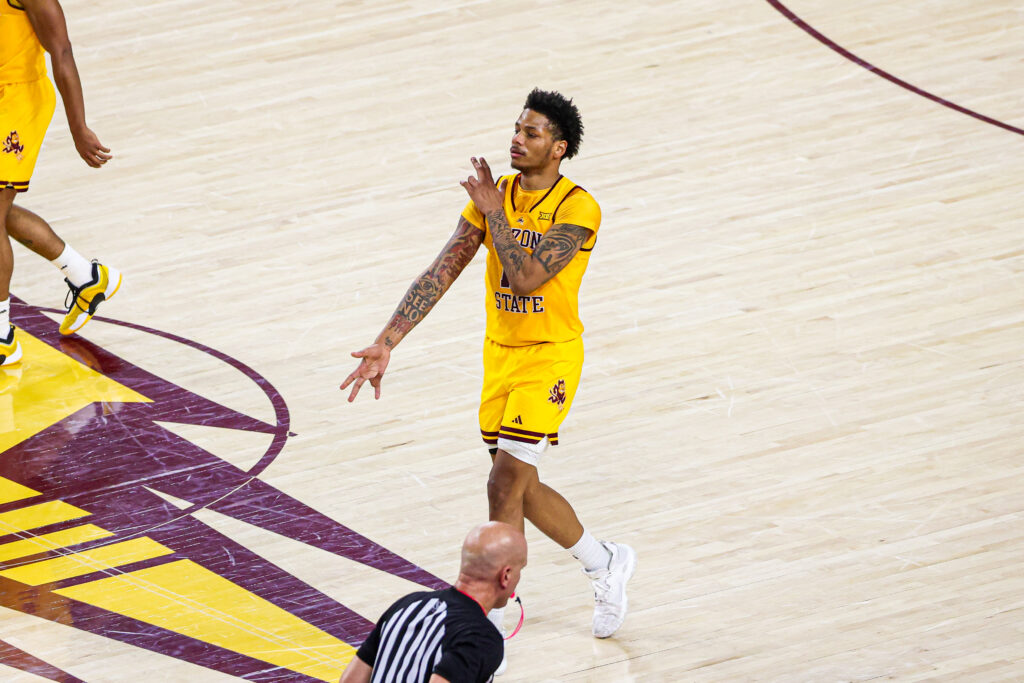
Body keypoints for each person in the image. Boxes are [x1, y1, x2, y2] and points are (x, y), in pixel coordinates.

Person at [341, 89, 636, 655]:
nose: (516, 140)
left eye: (531, 133)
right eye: (516, 129)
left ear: (559, 148)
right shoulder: (493, 196)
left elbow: (526, 278)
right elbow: (445, 265)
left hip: (550, 356)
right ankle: (605, 561)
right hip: (500, 353)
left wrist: (496, 211)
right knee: (518, 489)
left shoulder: (578, 207)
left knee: (502, 482)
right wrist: (387, 341)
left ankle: (497, 610)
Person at [1, 0, 121, 367]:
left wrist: (79, 128)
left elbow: (62, 52)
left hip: (18, 100)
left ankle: (2, 337)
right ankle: (85, 276)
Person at [339, 522, 526, 683]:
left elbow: (350, 680)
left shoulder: (407, 605)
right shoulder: (480, 638)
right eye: (521, 569)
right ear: (506, 575)